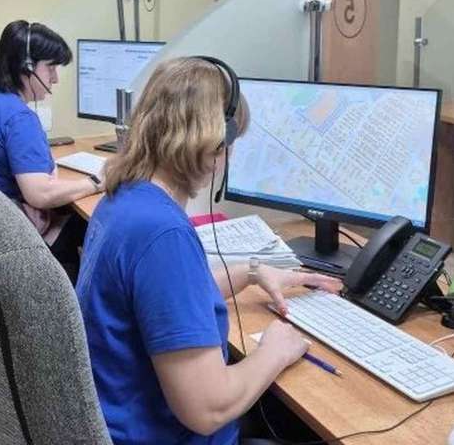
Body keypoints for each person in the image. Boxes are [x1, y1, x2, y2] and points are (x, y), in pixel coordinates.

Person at [75, 57, 342, 444]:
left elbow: (162, 305)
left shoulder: (124, 200)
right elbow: (207, 409)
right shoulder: (162, 234)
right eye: (230, 143)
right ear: (214, 142)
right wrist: (275, 351)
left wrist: (251, 271)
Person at [0, 20, 100, 276]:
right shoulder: (19, 118)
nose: (55, 78)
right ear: (26, 67)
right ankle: (69, 296)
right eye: (51, 67)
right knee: (93, 225)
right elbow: (39, 194)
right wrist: (97, 182)